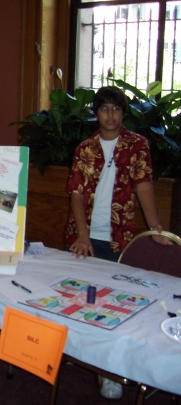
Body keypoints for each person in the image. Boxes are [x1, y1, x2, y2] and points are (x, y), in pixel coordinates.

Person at [64, 85, 172, 399]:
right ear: (96, 113)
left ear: (123, 113)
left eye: (116, 109)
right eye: (104, 109)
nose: (110, 115)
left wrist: (155, 228)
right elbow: (76, 194)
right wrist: (83, 235)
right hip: (83, 237)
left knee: (111, 307)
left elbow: (144, 186)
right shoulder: (85, 148)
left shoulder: (137, 145)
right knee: (79, 299)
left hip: (117, 239)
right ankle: (80, 351)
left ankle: (109, 372)